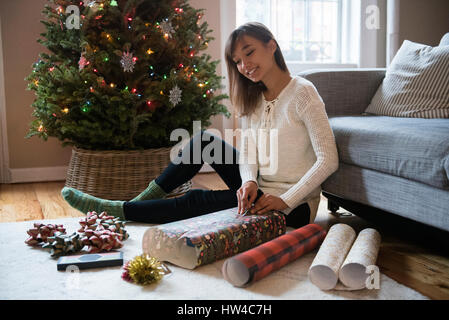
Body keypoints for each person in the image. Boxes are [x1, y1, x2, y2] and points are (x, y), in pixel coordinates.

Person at [61, 22, 338, 228]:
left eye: (249, 52)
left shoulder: (303, 92)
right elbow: (249, 153)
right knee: (204, 142)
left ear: (272, 45)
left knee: (197, 199)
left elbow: (328, 160)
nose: (244, 66)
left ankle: (122, 211)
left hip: (294, 206)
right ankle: (141, 200)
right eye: (237, 61)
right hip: (260, 188)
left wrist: (286, 200)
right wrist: (249, 180)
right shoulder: (253, 97)